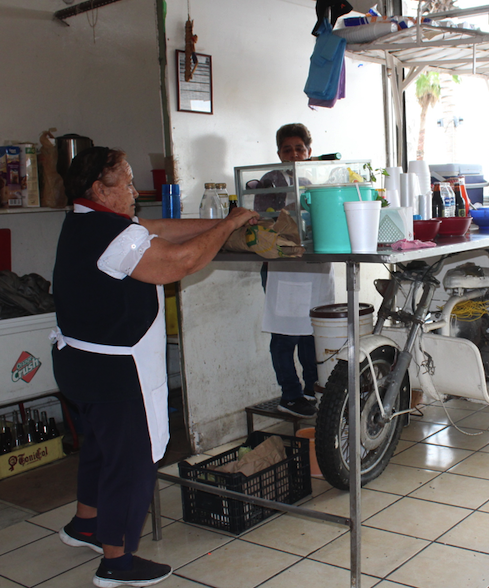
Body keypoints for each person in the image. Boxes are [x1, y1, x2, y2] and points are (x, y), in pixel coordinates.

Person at [52, 147, 258, 588]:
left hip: (77, 365)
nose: (134, 188)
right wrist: (224, 227)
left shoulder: (85, 221)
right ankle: (117, 563)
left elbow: (160, 228)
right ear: (98, 189)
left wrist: (235, 220)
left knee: (100, 449)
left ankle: (85, 525)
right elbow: (178, 263)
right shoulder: (115, 235)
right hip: (115, 372)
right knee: (130, 461)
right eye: (125, 182)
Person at [261, 123, 335, 418]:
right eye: (287, 149)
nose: (294, 153)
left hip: (313, 267)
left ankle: (311, 389)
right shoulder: (270, 180)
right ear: (278, 152)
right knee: (284, 335)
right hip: (283, 267)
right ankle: (289, 395)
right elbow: (266, 221)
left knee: (311, 333)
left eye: (299, 149)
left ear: (309, 151)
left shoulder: (314, 179)